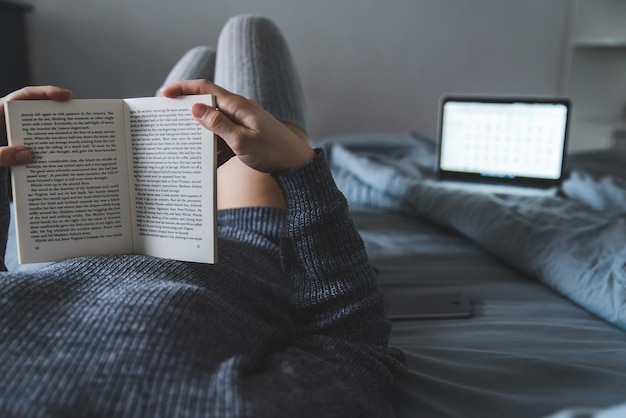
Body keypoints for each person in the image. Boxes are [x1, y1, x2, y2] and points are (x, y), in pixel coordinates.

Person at [0, 14, 405, 418]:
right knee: (246, 32)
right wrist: (300, 168)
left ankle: (176, 112)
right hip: (247, 242)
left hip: (84, 239)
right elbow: (355, 347)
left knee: (190, 81)